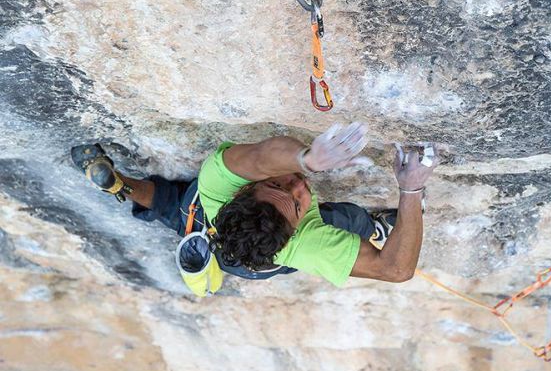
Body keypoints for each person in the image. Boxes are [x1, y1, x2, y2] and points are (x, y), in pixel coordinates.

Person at [71, 123, 438, 288]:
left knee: (176, 206)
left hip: (206, 216)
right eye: (297, 200)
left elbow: (263, 156)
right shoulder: (305, 246)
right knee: (346, 219)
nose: (297, 184)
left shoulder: (217, 185)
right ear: (296, 232)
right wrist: (411, 191)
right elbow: (395, 270)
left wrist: (307, 159)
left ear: (241, 193)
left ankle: (120, 186)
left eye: (277, 184)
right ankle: (375, 227)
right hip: (233, 246)